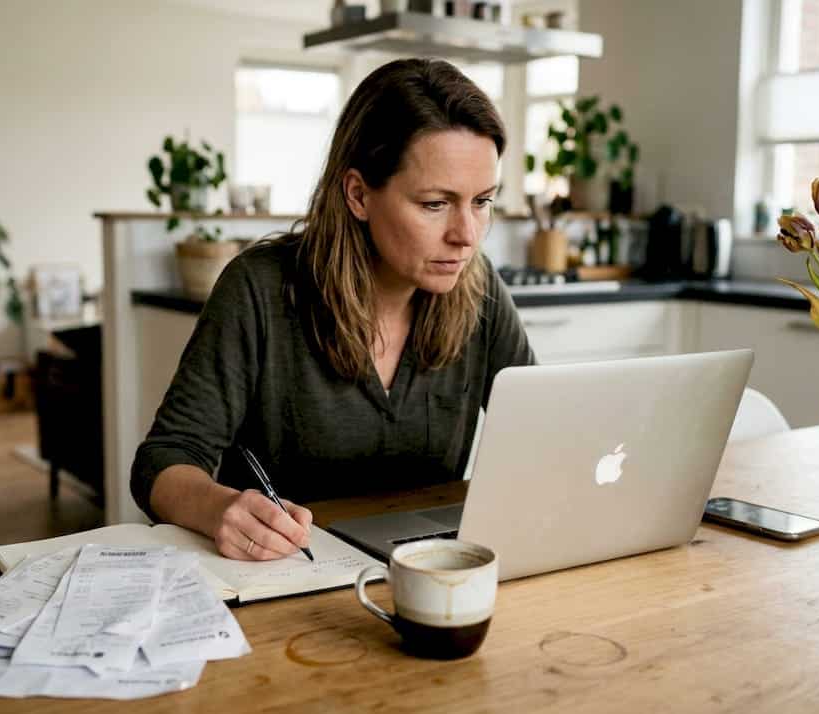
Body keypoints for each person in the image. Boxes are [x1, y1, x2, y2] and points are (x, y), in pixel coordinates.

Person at [130, 58, 534, 561]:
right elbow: (164, 459)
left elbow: (539, 436)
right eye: (435, 204)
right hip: (290, 574)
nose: (466, 236)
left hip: (431, 574)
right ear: (359, 194)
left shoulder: (481, 291)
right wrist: (220, 508)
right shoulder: (260, 288)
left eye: (482, 201)